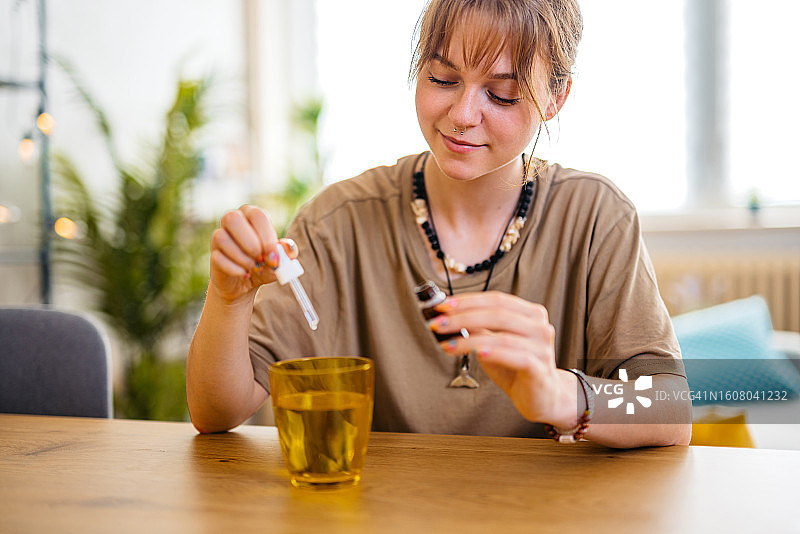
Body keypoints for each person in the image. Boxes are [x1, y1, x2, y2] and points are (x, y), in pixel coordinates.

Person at [187, 0, 692, 448]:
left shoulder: (595, 217)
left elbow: (669, 410)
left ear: (556, 97)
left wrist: (561, 395)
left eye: (503, 94)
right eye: (443, 79)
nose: (462, 114)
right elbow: (217, 412)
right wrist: (230, 298)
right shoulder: (339, 220)